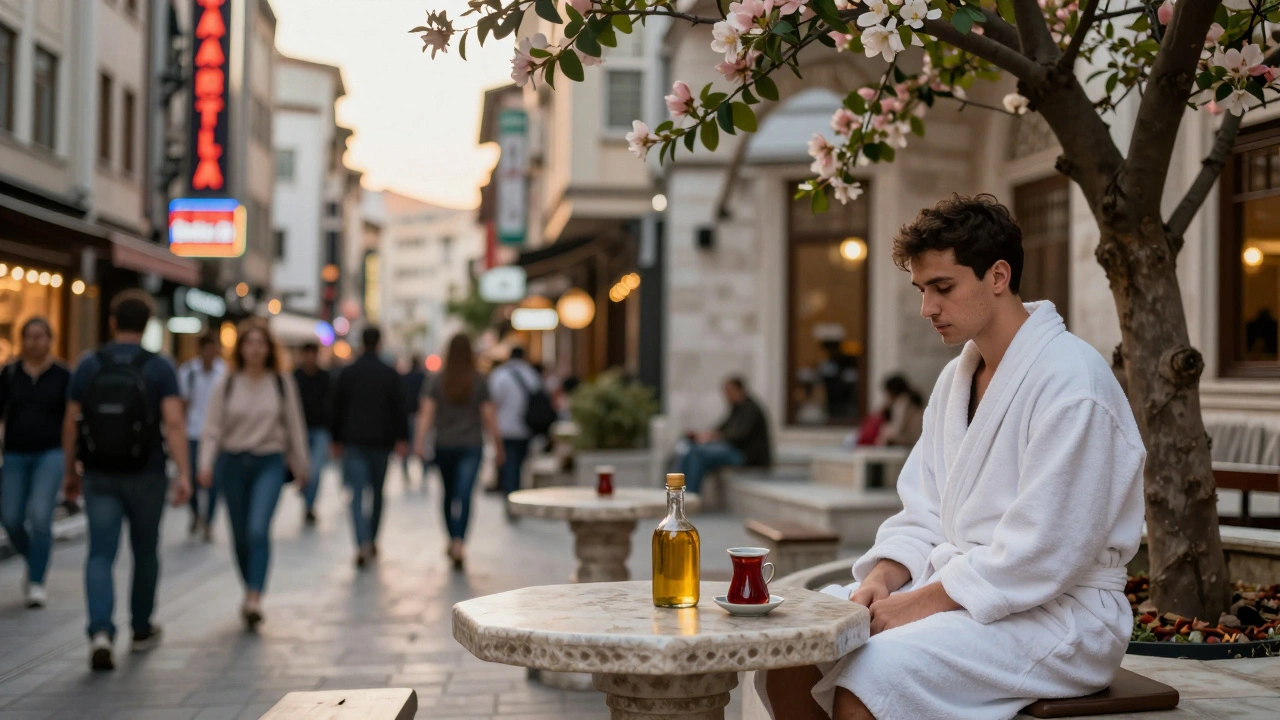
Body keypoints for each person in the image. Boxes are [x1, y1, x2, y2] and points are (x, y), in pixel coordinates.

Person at [761, 194, 1145, 720]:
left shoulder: (1073, 384)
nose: (927, 309)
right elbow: (922, 509)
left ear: (998, 276)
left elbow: (1045, 550)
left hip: (1060, 615)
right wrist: (882, 581)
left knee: (873, 678)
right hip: (962, 594)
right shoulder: (956, 380)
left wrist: (914, 606)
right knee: (794, 653)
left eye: (943, 288)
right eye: (922, 290)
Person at [63, 290, 191, 671]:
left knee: (100, 552)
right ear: (148, 324)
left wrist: (70, 471)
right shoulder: (160, 367)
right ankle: (140, 628)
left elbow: (71, 422)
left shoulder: (89, 364)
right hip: (146, 472)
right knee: (145, 551)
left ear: (113, 322)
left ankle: (101, 631)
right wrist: (183, 473)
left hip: (99, 473)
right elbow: (174, 423)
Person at [199, 321, 308, 630]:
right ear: (241, 348)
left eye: (261, 343)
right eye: (250, 343)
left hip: (269, 463)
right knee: (239, 535)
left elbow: (295, 426)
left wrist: (302, 465)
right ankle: (250, 585)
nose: (256, 348)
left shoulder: (281, 382)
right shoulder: (228, 382)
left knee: (258, 529)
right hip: (232, 464)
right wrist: (205, 465)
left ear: (269, 348)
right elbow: (212, 428)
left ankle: (254, 597)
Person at [0, 318, 71, 608]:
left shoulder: (63, 375)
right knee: (11, 518)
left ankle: (37, 580)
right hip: (15, 454)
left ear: (50, 339)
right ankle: (35, 559)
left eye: (40, 336)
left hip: (50, 454)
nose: (34, 342)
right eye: (29, 336)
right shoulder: (9, 373)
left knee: (41, 516)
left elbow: (71, 420)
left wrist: (72, 462)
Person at [415, 334, 502, 570]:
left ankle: (452, 539)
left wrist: (420, 442)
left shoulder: (436, 380)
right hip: (472, 445)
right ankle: (459, 542)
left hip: (444, 445)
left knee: (448, 494)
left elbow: (426, 414)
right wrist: (498, 444)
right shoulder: (479, 380)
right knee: (465, 495)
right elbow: (489, 415)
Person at [330, 326, 408, 567]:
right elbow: (399, 409)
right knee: (377, 493)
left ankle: (362, 541)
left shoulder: (348, 373)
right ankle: (371, 539)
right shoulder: (389, 373)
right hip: (381, 442)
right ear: (380, 342)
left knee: (356, 493)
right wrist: (402, 438)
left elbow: (336, 408)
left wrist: (335, 439)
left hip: (354, 441)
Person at [677, 376, 772, 494]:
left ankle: (691, 494)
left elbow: (739, 435)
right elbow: (722, 428)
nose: (726, 395)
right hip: (734, 450)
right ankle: (680, 492)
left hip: (745, 455)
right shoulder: (736, 408)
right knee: (690, 450)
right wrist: (704, 436)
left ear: (738, 390)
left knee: (698, 454)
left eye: (728, 391)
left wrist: (714, 437)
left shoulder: (751, 409)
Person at [178, 333, 225, 542]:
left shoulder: (224, 373)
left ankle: (209, 520)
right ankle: (196, 512)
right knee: (193, 478)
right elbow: (183, 405)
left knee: (214, 481)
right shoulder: (188, 372)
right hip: (193, 432)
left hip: (216, 436)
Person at [487, 346, 542, 503]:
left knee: (510, 466)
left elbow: (492, 405)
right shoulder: (531, 374)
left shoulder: (500, 375)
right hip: (525, 428)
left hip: (505, 428)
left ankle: (511, 498)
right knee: (518, 466)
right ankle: (515, 496)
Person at [293, 342, 331, 525]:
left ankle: (309, 504)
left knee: (314, 471)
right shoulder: (295, 377)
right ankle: (307, 497)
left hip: (320, 430)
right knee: (303, 469)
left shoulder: (325, 377)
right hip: (298, 430)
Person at [399, 353, 427, 487]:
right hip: (420, 415)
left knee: (406, 444)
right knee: (422, 445)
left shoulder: (404, 378)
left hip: (406, 414)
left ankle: (406, 474)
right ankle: (424, 474)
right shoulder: (424, 378)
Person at [876, 374, 924, 447]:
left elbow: (898, 428)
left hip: (910, 441)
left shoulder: (902, 402)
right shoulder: (912, 399)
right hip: (918, 439)